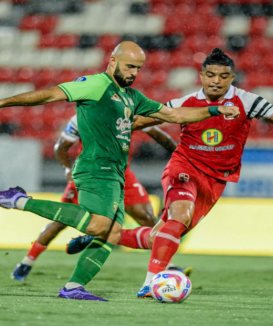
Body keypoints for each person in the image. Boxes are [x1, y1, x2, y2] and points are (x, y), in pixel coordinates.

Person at [0, 42, 240, 302]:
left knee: (111, 233)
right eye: (129, 66)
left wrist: (215, 109)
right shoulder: (95, 84)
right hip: (94, 167)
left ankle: (73, 287)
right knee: (98, 225)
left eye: (138, 68)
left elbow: (175, 115)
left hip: (116, 172)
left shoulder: (132, 97)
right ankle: (18, 201)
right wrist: (1, 103)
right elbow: (49, 94)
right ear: (113, 61)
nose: (134, 72)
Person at [67, 48, 273, 298]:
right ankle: (151, 282)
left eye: (223, 76)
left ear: (232, 78)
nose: (216, 81)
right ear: (201, 76)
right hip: (184, 167)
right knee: (180, 216)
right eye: (210, 75)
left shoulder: (249, 100)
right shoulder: (182, 103)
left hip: (216, 179)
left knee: (161, 235)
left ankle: (104, 236)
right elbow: (139, 121)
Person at [11, 114, 191, 281]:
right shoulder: (82, 117)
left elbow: (158, 135)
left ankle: (168, 265)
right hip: (90, 175)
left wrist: (181, 157)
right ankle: (27, 262)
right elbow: (61, 146)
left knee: (146, 217)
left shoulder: (128, 114)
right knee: (60, 222)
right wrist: (68, 170)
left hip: (121, 175)